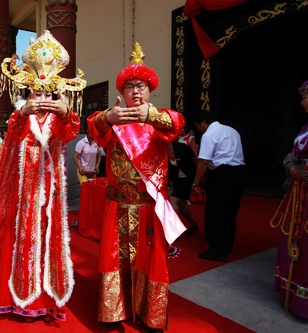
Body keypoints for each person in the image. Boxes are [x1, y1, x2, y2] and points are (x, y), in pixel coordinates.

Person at [0, 30, 86, 322]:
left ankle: (49, 301)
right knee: (21, 241)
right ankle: (19, 301)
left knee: (49, 241)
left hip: (50, 195)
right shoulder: (20, 117)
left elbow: (70, 132)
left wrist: (64, 112)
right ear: (29, 93)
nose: (42, 98)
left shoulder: (58, 119)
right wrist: (24, 112)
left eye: (47, 93)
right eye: (36, 93)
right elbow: (14, 134)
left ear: (55, 94)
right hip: (23, 194)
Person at [87, 42, 185, 332]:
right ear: (122, 92)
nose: (136, 91)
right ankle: (113, 311)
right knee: (113, 258)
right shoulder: (114, 120)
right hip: (117, 204)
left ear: (150, 90)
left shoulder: (161, 118)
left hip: (148, 205)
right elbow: (93, 126)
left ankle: (150, 314)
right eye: (130, 86)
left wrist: (149, 115)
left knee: (150, 259)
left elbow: (175, 124)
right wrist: (108, 117)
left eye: (141, 85)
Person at [270, 80, 308, 318]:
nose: (302, 102)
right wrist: (290, 164)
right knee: (294, 240)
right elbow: (292, 154)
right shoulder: (305, 127)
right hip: (299, 194)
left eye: (305, 97)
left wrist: (300, 170)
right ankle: (291, 294)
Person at [192, 110, 246, 262]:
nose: (198, 130)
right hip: (239, 173)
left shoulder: (209, 135)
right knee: (230, 211)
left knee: (214, 212)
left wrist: (196, 182)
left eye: (198, 126)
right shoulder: (232, 131)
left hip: (223, 175)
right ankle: (227, 246)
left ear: (203, 122)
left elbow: (203, 161)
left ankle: (216, 250)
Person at [168, 140, 199, 235]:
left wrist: (197, 179)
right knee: (180, 204)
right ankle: (193, 225)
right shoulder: (163, 150)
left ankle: (174, 231)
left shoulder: (182, 147)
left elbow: (195, 160)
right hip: (177, 179)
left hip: (188, 177)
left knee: (173, 201)